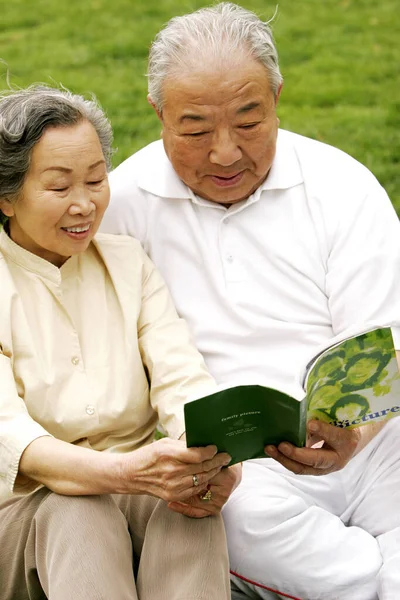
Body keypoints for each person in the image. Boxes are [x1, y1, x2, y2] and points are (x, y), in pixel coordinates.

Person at [100, 3, 400, 600]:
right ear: (159, 113)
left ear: (277, 96)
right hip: (241, 464)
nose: (225, 153)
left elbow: (384, 339)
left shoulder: (342, 184)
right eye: (194, 130)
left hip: (372, 440)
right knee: (231, 515)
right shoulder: (121, 206)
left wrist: (355, 436)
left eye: (248, 121)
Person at [0, 84, 236, 600]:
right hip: (19, 513)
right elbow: (16, 441)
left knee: (190, 504)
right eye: (59, 187)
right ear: (6, 196)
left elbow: (182, 378)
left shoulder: (127, 262)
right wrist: (124, 472)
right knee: (77, 507)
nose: (84, 204)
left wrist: (215, 457)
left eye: (96, 180)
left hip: (131, 485)